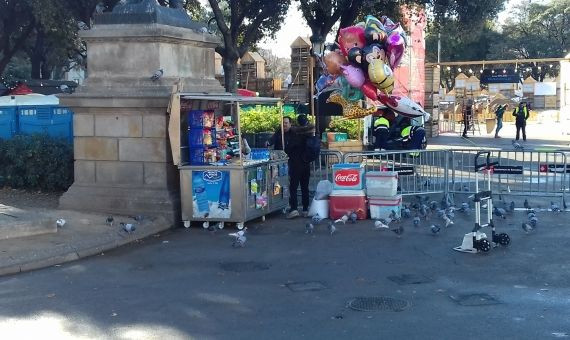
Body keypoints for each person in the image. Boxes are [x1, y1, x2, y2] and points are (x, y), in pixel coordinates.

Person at [285, 114, 315, 218]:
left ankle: (294, 209)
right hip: (306, 163)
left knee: (293, 187)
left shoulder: (295, 134)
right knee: (304, 187)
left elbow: (289, 149)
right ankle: (305, 209)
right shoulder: (310, 133)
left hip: (296, 164)